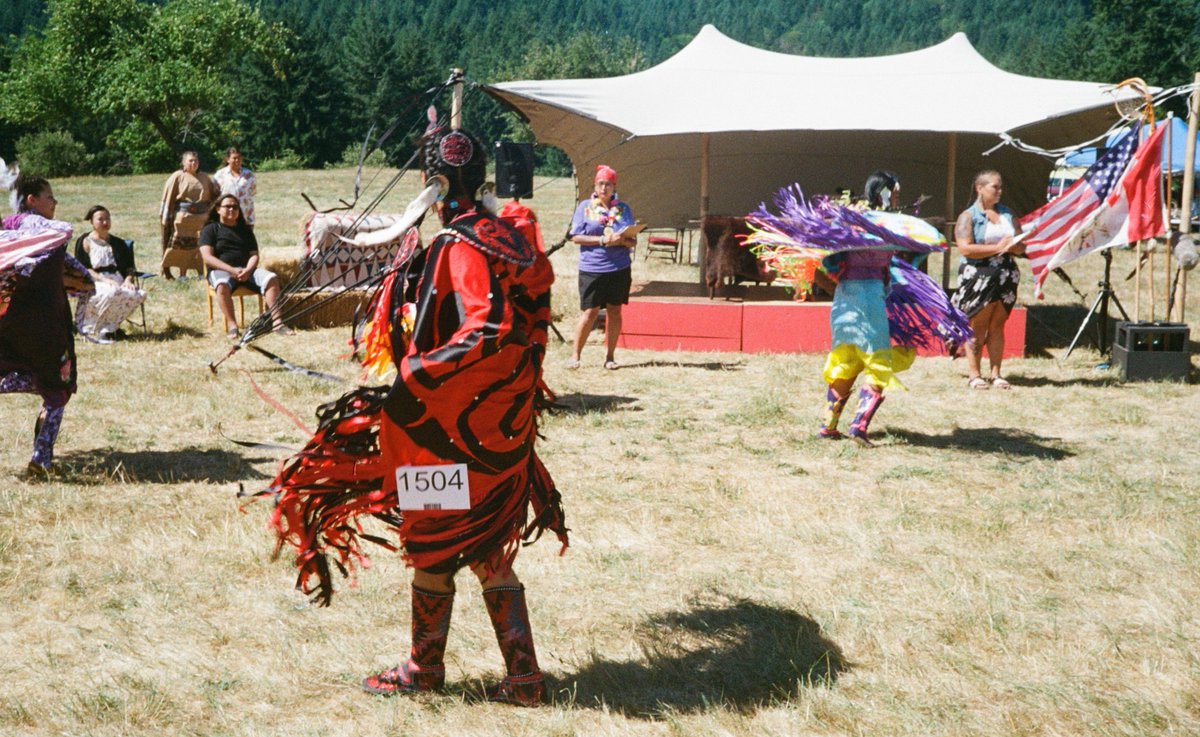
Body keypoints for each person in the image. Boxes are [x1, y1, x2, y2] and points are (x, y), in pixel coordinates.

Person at [260, 124, 567, 706]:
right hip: (501, 428)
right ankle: (523, 678)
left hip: (445, 427)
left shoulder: (459, 244)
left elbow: (488, 327)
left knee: (433, 538)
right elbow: (531, 319)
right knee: (484, 544)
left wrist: (415, 376)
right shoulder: (509, 237)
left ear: (434, 183)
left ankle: (425, 670)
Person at [746, 185, 970, 447]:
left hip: (844, 301)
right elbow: (916, 251)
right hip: (869, 300)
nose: (896, 197)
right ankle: (859, 426)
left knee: (847, 360)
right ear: (883, 193)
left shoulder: (848, 229)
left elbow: (829, 264)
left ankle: (828, 426)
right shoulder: (885, 230)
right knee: (878, 361)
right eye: (894, 192)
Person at [0, 168, 94, 476]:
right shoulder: (45, 230)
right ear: (32, 200)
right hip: (44, 325)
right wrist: (88, 281)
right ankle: (41, 460)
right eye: (49, 197)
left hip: (7, 321)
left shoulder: (7, 229)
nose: (55, 202)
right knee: (57, 390)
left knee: (15, 367)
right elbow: (69, 257)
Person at [951, 170, 1024, 390]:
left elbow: (1022, 246)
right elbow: (965, 248)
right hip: (979, 277)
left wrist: (1014, 246)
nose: (999, 191)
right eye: (995, 187)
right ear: (980, 188)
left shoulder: (1008, 214)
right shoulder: (968, 216)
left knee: (997, 325)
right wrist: (997, 247)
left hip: (1006, 275)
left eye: (1001, 187)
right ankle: (975, 374)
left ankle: (996, 373)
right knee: (977, 325)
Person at [566, 164, 636, 370]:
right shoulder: (585, 207)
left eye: (608, 184)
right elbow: (575, 237)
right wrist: (603, 240)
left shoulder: (623, 209)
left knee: (615, 310)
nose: (604, 188)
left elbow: (632, 239)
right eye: (600, 184)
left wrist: (623, 240)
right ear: (595, 186)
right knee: (590, 312)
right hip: (592, 267)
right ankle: (575, 355)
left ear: (615, 187)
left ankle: (610, 356)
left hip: (619, 268)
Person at [198, 194, 289, 339]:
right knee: (221, 285)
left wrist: (248, 270)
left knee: (271, 278)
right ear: (218, 209)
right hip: (221, 270)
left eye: (235, 207)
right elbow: (207, 257)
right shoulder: (210, 229)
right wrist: (231, 270)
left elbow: (254, 255)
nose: (232, 209)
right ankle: (233, 326)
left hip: (247, 270)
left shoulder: (245, 230)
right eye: (227, 206)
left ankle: (277, 323)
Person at [74, 205, 146, 340]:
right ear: (92, 222)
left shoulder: (118, 243)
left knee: (138, 294)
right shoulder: (85, 241)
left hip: (118, 279)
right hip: (96, 280)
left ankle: (110, 328)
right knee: (111, 291)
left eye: (107, 218)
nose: (105, 222)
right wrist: (105, 280)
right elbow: (84, 268)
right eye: (100, 219)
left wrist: (128, 280)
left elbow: (130, 267)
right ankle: (92, 328)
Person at [159, 150, 217, 278]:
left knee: (201, 246)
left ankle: (201, 272)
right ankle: (182, 274)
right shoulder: (177, 176)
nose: (194, 163)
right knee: (182, 248)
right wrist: (166, 215)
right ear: (183, 163)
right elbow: (169, 196)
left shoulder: (205, 177)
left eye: (196, 160)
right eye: (190, 161)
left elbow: (213, 197)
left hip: (201, 220)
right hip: (183, 219)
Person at [212, 147, 257, 227]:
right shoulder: (220, 175)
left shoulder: (249, 175)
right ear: (228, 159)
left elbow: (253, 192)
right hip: (227, 216)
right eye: (234, 158)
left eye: (239, 158)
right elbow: (215, 195)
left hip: (245, 215)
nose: (237, 160)